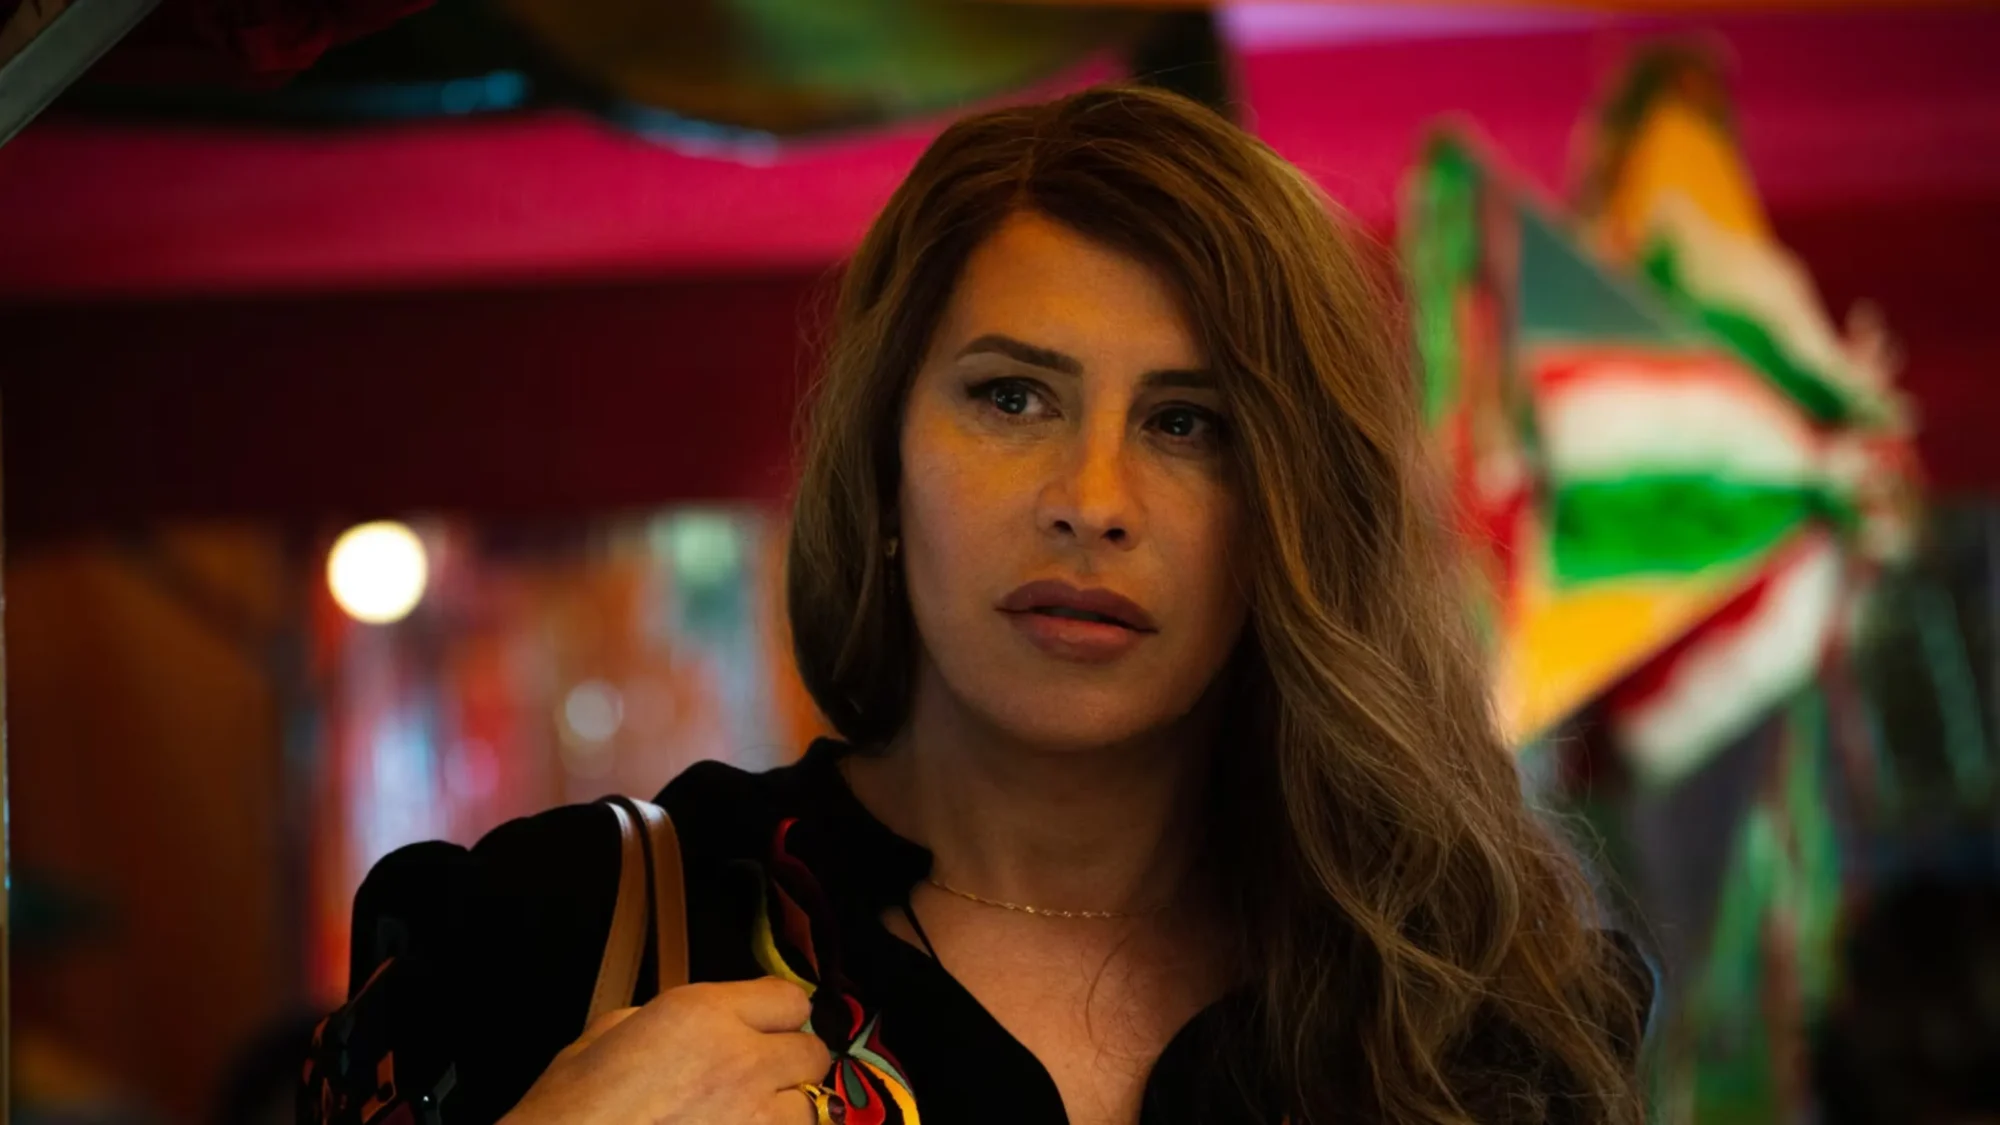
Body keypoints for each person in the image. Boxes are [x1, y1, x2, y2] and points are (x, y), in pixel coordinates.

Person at [301, 85, 1649, 1125]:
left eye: (1188, 423)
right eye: (1012, 397)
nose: (1091, 498)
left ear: (1294, 513)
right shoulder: (545, 934)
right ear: (883, 463)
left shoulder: (1478, 1016)